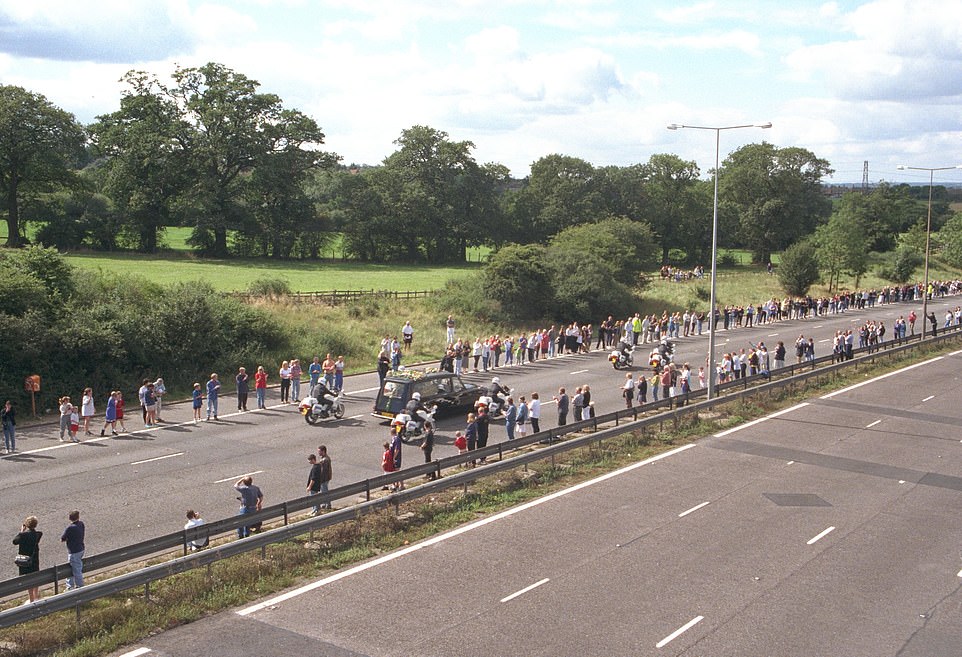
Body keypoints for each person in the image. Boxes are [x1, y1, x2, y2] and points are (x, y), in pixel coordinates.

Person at [13, 516, 42, 602]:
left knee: (28, 579)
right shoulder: (38, 534)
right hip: (34, 559)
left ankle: (31, 598)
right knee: (35, 577)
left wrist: (21, 531)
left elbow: (15, 541)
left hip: (25, 560)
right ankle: (36, 596)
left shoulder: (23, 535)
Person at [60, 510, 85, 590]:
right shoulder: (81, 524)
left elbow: (62, 538)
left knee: (76, 569)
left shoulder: (70, 528)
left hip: (74, 551)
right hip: (81, 549)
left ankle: (80, 587)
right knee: (73, 567)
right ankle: (69, 586)